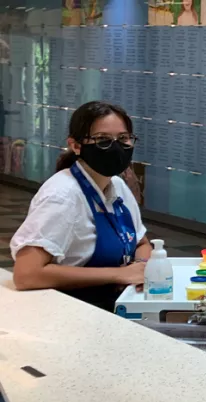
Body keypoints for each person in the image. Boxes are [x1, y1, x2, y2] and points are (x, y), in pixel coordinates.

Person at [10, 101, 151, 312]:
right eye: (102, 139)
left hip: (112, 306)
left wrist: (139, 267)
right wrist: (119, 274)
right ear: (76, 145)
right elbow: (26, 274)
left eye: (123, 139)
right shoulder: (62, 196)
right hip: (70, 311)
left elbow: (142, 243)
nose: (115, 147)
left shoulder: (117, 186)